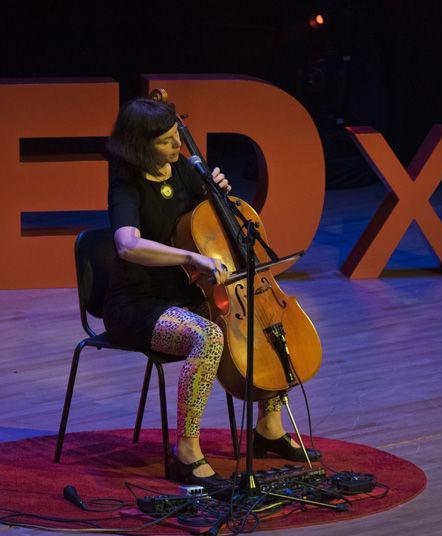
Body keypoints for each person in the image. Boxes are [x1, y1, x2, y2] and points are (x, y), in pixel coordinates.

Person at [103, 98, 321, 487]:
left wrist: (216, 194)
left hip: (189, 295)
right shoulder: (126, 183)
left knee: (269, 322)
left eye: (177, 138)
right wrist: (189, 256)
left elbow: (210, 229)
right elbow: (126, 245)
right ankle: (187, 451)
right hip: (138, 303)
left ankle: (269, 429)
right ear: (140, 145)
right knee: (208, 336)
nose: (178, 148)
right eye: (167, 142)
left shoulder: (186, 170)